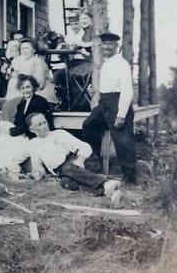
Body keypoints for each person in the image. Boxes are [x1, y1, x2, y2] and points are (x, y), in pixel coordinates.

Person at [27, 112, 121, 203]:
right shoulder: (33, 144)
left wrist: (80, 160)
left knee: (67, 168)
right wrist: (37, 172)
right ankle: (107, 189)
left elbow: (85, 147)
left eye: (45, 122)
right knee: (65, 182)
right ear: (32, 129)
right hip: (64, 172)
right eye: (39, 124)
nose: (44, 126)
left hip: (84, 161)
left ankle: (106, 183)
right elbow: (37, 164)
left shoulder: (59, 134)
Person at [82, 32, 136, 184]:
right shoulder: (106, 62)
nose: (106, 47)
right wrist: (94, 90)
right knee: (88, 126)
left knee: (122, 140)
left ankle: (130, 177)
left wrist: (121, 115)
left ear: (116, 46)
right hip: (104, 103)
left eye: (110, 44)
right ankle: (96, 162)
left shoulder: (122, 64)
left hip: (117, 103)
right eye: (104, 44)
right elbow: (107, 86)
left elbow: (127, 90)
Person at [0, 74, 54, 176]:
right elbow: (18, 122)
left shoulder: (39, 102)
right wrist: (4, 129)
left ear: (33, 87)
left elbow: (30, 125)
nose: (25, 90)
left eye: (28, 87)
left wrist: (10, 131)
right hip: (23, 134)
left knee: (4, 141)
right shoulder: (22, 103)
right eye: (22, 88)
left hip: (34, 136)